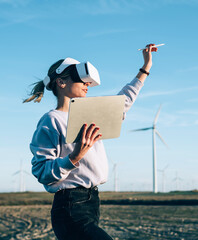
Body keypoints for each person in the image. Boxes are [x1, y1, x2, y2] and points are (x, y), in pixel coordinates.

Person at [24, 44, 158, 240]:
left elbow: (123, 101)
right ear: (61, 82)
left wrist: (145, 68)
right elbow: (41, 171)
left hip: (92, 202)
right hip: (70, 205)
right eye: (82, 80)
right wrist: (74, 157)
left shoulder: (89, 114)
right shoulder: (51, 120)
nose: (87, 84)